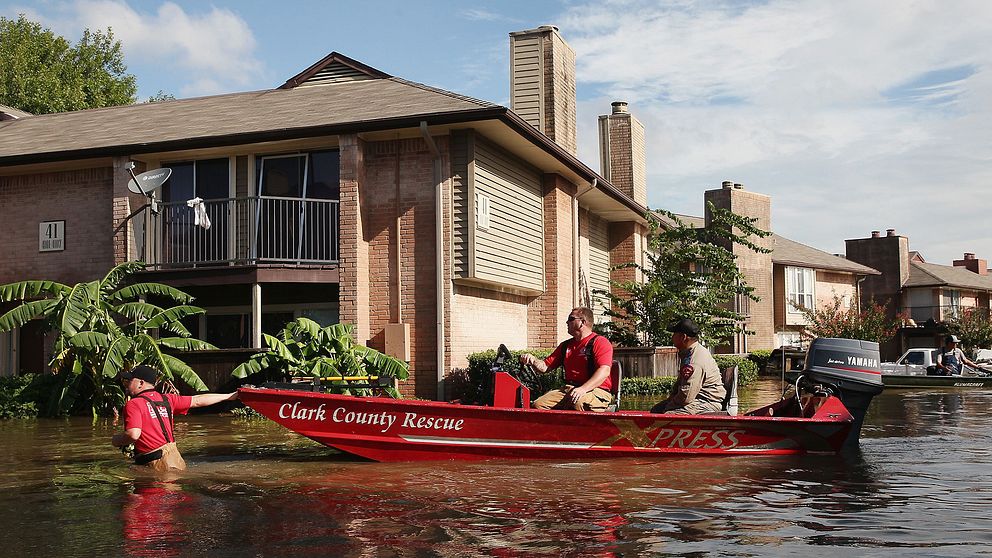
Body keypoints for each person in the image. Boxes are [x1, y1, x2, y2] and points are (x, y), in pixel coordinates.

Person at [111, 365, 239, 471]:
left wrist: (117, 440)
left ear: (141, 383)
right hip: (175, 458)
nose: (126, 385)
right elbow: (197, 400)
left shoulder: (134, 404)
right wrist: (228, 396)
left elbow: (133, 434)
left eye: (130, 381)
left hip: (155, 465)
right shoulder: (167, 399)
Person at [518, 307, 614, 411]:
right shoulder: (565, 346)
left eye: (571, 319)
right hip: (571, 389)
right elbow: (545, 367)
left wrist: (583, 389)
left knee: (578, 402)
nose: (567, 322)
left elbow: (604, 371)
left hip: (597, 391)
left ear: (582, 322)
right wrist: (532, 359)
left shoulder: (600, 342)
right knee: (538, 405)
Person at [651, 318, 726, 414]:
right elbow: (681, 387)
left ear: (683, 337)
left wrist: (668, 407)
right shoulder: (689, 353)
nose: (672, 337)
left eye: (674, 334)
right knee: (657, 409)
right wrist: (669, 401)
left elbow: (686, 396)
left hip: (707, 402)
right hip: (697, 399)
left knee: (668, 415)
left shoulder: (693, 361)